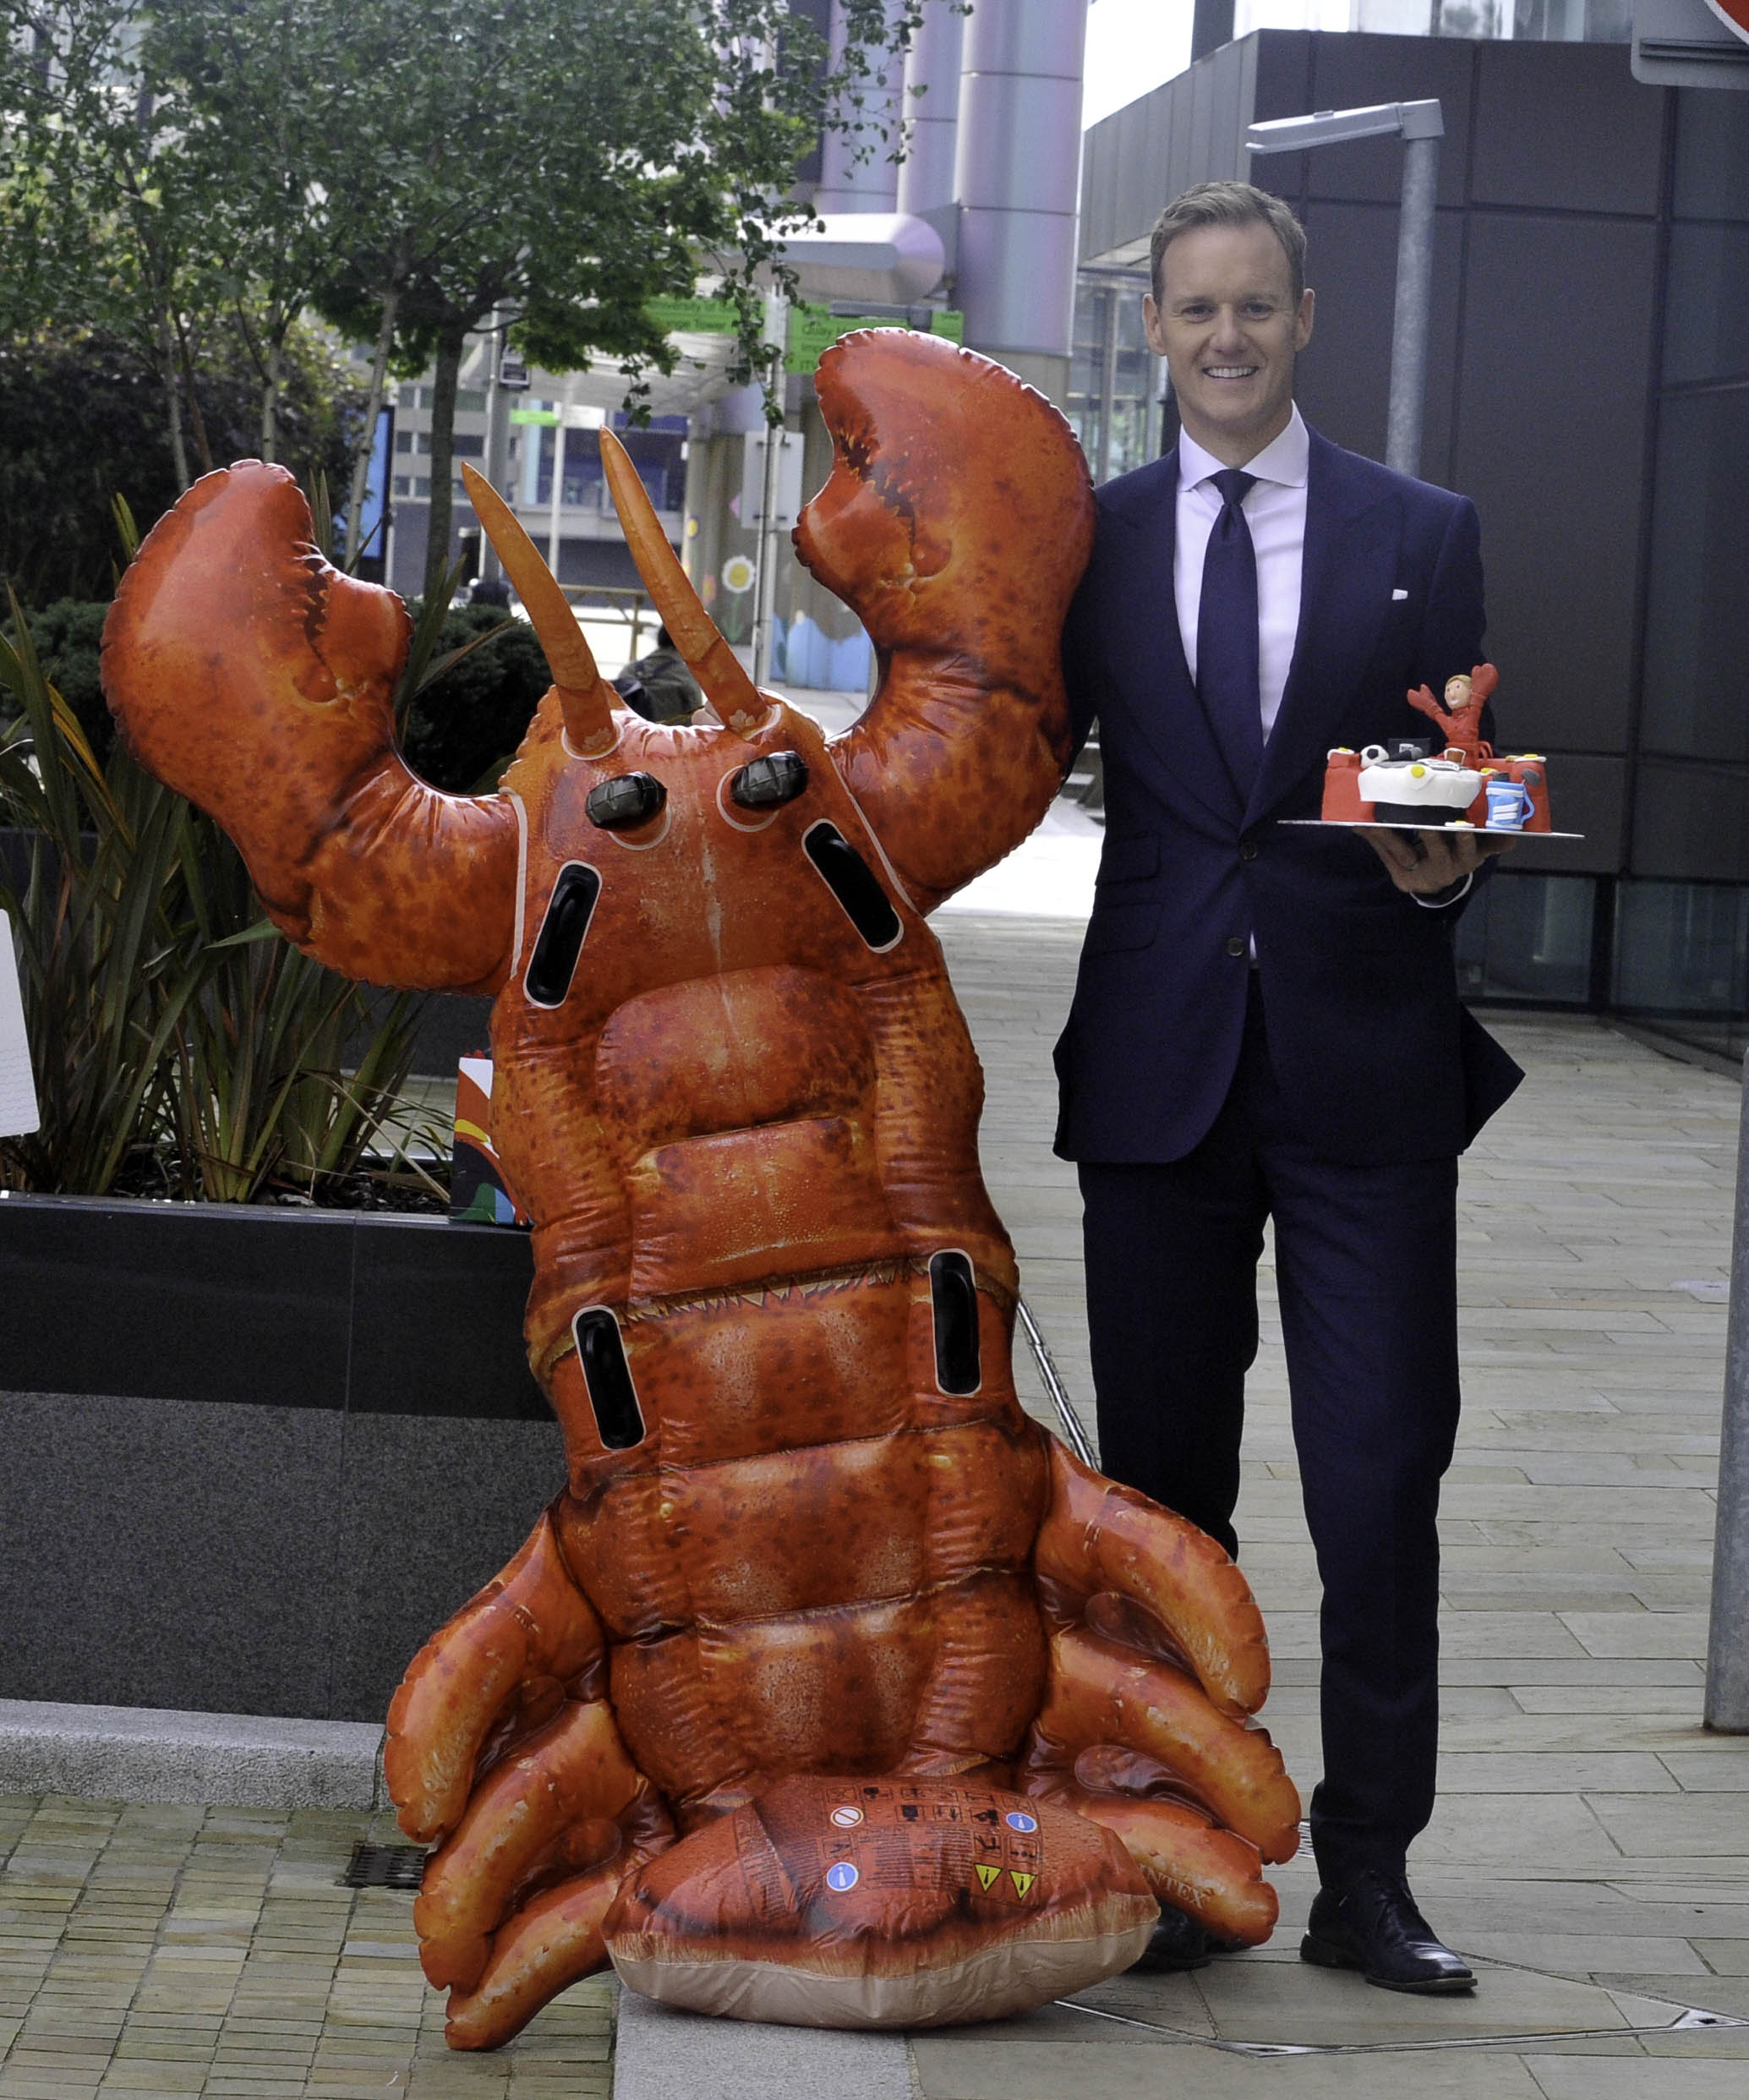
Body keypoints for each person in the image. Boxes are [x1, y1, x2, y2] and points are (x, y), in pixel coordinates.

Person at [1055, 181, 1524, 1993]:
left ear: (1303, 318)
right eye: (1193, 312)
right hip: (1157, 1073)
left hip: (1363, 1080)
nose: (1225, 338)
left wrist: (1447, 863)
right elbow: (1004, 754)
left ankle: (1368, 1878)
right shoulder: (1086, 540)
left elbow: (1451, 769)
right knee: (1164, 1511)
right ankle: (1182, 1864)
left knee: (1376, 1484)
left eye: (1254, 308)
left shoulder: (1422, 530)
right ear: (1155, 329)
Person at [613, 624, 704, 724]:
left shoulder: (630, 669)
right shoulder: (686, 675)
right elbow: (697, 716)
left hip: (630, 734)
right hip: (667, 737)